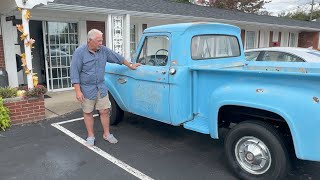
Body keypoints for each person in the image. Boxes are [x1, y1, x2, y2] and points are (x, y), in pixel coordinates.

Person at [70, 29, 141, 146]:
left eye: (101, 40)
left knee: (105, 111)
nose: (101, 43)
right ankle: (91, 136)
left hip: (101, 87)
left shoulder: (103, 50)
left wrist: (130, 65)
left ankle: (106, 134)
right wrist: (78, 91)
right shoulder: (79, 52)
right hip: (87, 89)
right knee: (88, 112)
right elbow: (74, 73)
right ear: (90, 40)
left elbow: (117, 57)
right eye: (98, 41)